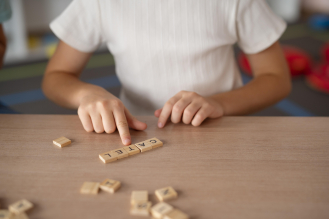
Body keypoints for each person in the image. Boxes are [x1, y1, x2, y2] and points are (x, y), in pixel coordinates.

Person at [42, 0, 291, 146]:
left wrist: (218, 103)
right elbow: (56, 76)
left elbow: (276, 79)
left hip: (221, 134)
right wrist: (86, 94)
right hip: (136, 135)